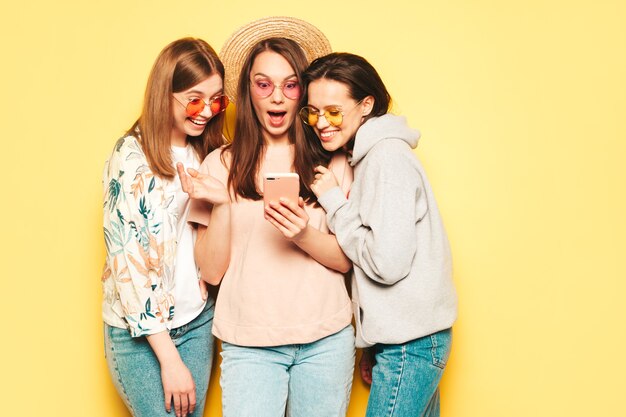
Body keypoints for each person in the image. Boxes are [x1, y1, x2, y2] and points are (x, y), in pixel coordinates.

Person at [177, 17, 355, 417]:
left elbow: (346, 259)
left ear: (303, 93)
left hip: (326, 339)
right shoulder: (218, 164)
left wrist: (302, 234)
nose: (277, 97)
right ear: (248, 91)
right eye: (264, 84)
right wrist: (223, 202)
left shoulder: (334, 161)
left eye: (290, 85)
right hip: (250, 344)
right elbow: (211, 272)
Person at [301, 52, 458, 417]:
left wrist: (334, 204)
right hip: (408, 339)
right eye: (312, 111)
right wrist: (372, 342)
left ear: (366, 104)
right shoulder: (374, 156)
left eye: (334, 111)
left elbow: (387, 264)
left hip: (411, 343)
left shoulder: (386, 158)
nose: (321, 122)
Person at [101, 37, 228, 417]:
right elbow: (127, 267)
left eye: (217, 99)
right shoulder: (130, 158)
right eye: (193, 98)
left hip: (197, 319)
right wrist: (170, 361)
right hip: (143, 335)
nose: (206, 110)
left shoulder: (209, 152)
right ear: (164, 94)